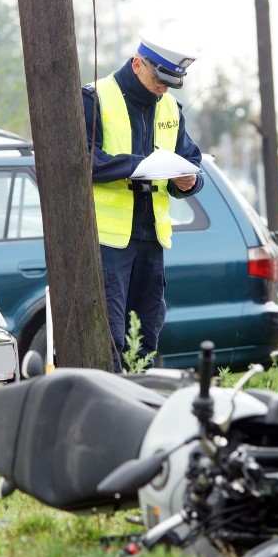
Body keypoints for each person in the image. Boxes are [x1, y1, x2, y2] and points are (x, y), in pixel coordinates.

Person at [82, 35, 204, 372]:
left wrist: (188, 182)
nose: (163, 90)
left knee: (146, 338)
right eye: (158, 80)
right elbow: (84, 159)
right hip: (109, 243)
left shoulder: (170, 109)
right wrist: (139, 166)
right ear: (137, 65)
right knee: (111, 340)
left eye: (170, 84)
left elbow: (192, 162)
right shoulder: (94, 98)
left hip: (152, 242)